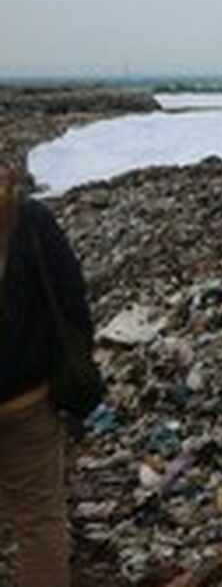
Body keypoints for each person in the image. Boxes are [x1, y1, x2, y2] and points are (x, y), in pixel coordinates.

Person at [0, 163, 94, 587]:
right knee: (39, 521)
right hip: (25, 400)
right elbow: (73, 304)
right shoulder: (31, 222)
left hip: (25, 398)